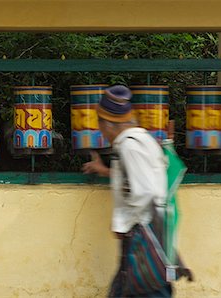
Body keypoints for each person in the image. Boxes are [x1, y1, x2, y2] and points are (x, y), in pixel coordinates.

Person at [82, 85, 172, 297]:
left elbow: (145, 190)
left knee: (147, 289)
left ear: (108, 124)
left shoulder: (130, 146)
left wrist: (124, 224)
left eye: (100, 125)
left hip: (142, 235)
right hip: (152, 232)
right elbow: (140, 177)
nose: (101, 132)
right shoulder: (144, 141)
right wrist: (105, 171)